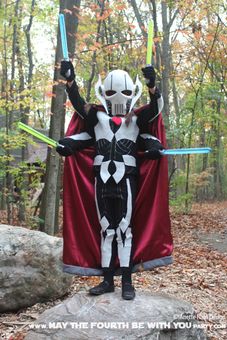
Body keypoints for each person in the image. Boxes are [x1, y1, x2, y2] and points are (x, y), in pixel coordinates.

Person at [57, 61, 173, 300]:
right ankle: (108, 280)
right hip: (102, 179)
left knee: (124, 229)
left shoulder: (136, 120)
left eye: (125, 92)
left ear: (133, 93)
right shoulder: (96, 117)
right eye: (111, 92)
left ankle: (127, 282)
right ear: (103, 93)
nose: (118, 98)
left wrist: (153, 87)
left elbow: (154, 113)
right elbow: (80, 118)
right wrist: (70, 81)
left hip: (126, 180)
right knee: (106, 229)